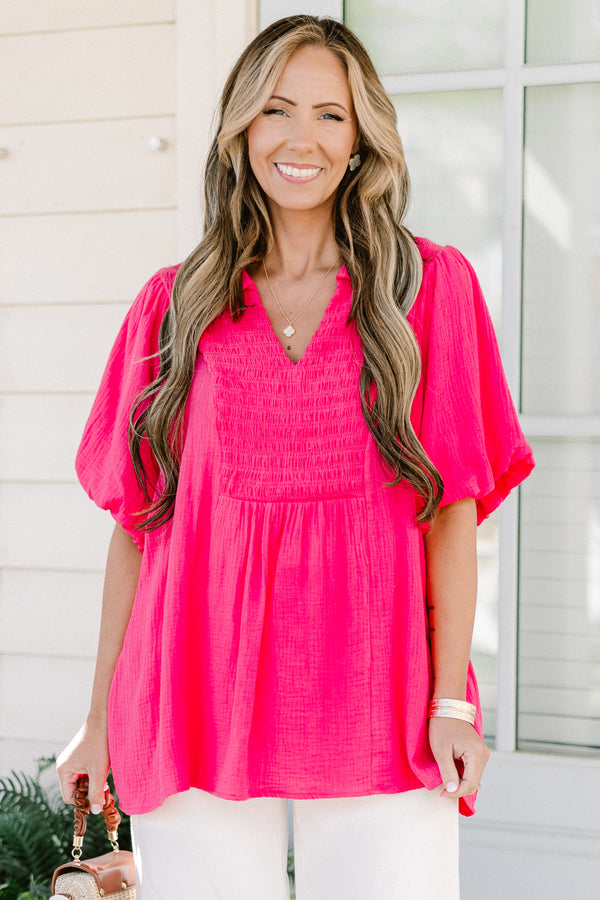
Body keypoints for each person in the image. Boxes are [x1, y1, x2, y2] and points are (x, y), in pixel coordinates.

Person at [56, 15, 534, 899]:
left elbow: (452, 511)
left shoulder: (428, 290)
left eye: (330, 114)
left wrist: (452, 704)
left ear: (360, 141)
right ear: (242, 128)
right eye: (277, 110)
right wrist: (97, 719)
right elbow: (140, 524)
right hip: (193, 694)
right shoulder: (175, 306)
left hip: (380, 700)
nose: (300, 139)